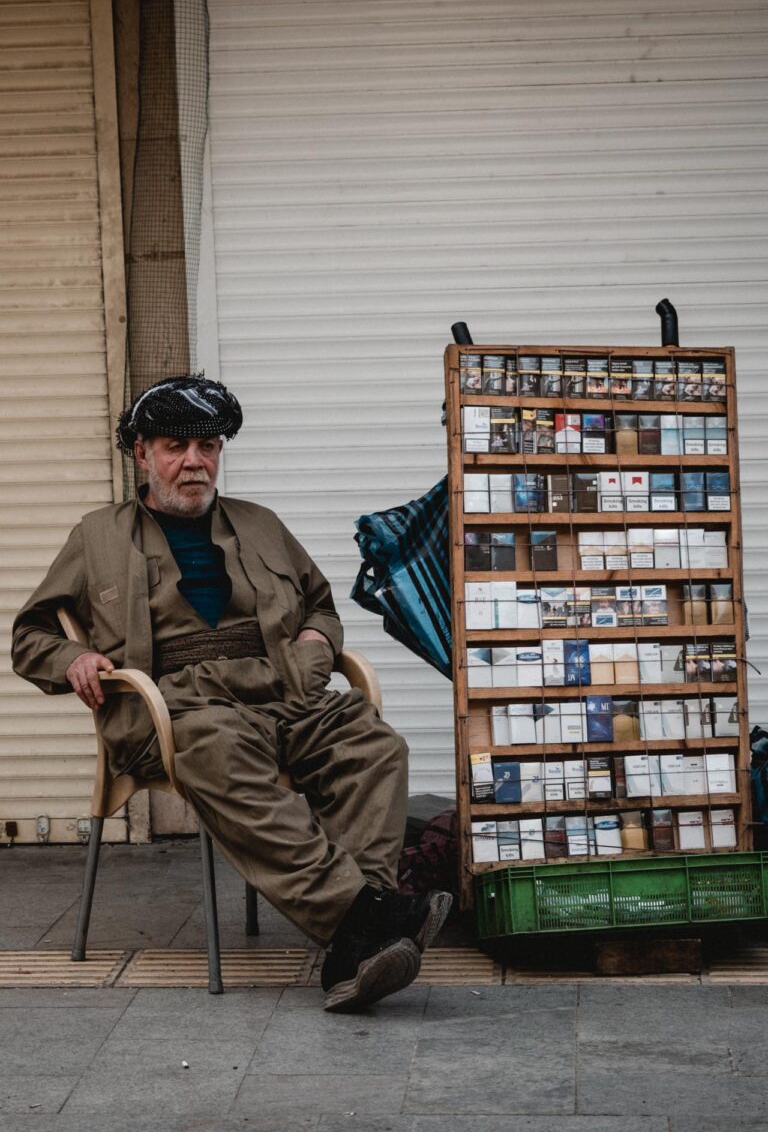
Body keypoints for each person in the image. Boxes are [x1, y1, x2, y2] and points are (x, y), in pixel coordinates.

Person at [12, 374, 452, 1012]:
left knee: (373, 744)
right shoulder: (96, 537)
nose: (194, 462)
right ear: (141, 454)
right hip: (175, 711)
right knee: (218, 747)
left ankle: (361, 939)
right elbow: (30, 635)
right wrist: (73, 655)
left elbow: (322, 608)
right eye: (174, 446)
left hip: (283, 696)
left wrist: (317, 643)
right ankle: (364, 919)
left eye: (208, 446)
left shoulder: (262, 524)